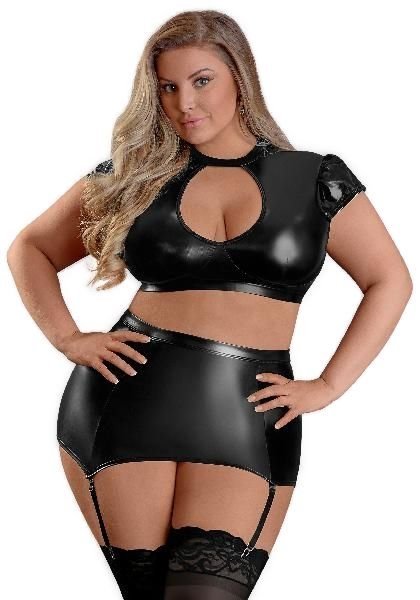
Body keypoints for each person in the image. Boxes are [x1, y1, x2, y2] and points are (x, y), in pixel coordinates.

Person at [6, 9, 413, 600]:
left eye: (202, 81)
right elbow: (31, 248)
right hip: (126, 400)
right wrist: (68, 338)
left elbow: (389, 280)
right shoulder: (135, 176)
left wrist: (329, 386)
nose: (185, 103)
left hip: (248, 411)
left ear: (239, 77)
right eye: (167, 87)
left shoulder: (315, 179)